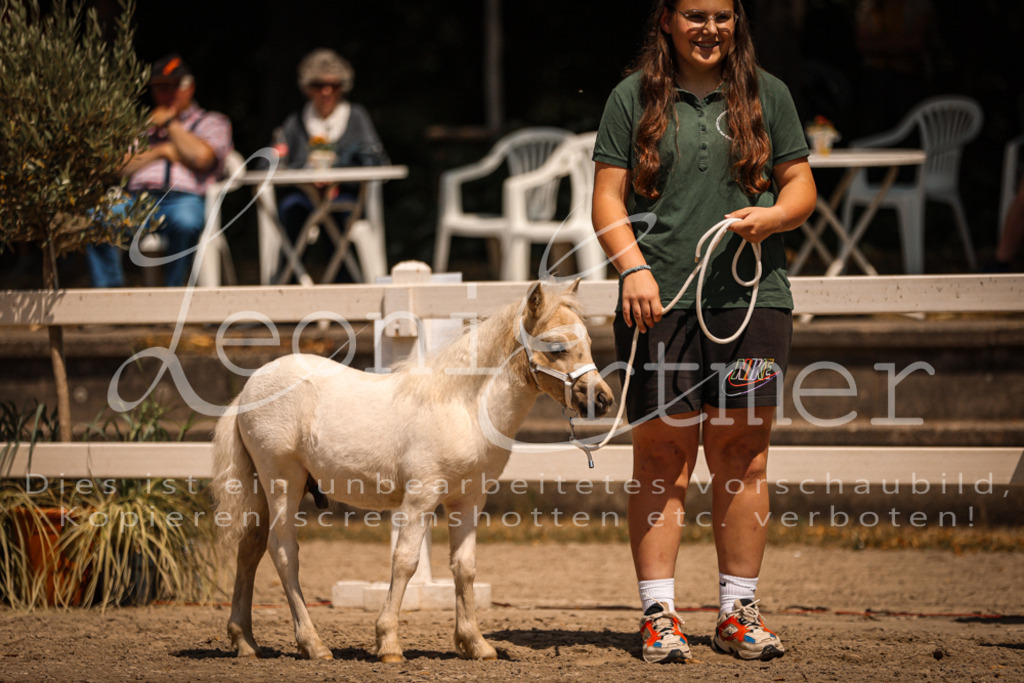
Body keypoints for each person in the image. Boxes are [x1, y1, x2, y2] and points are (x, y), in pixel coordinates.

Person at [592, 0, 816, 664]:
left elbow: (800, 185)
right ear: (666, 19)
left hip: (752, 299)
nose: (709, 29)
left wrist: (773, 218)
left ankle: (737, 612)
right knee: (661, 458)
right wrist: (632, 268)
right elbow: (606, 199)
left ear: (736, 21)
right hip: (656, 302)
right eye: (695, 15)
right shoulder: (631, 98)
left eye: (722, 15)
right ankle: (659, 614)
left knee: (743, 455)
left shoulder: (768, 94)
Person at [86, 54, 233, 287]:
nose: (166, 94)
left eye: (172, 87)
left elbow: (202, 158)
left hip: (185, 199)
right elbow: (118, 166)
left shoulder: (212, 122)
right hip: (137, 201)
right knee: (97, 218)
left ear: (189, 88)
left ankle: (174, 294)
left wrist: (170, 125)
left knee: (186, 222)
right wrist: (162, 151)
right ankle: (109, 293)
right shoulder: (142, 126)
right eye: (160, 88)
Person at [271, 48, 388, 282]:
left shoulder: (356, 117)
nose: (326, 91)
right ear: (307, 88)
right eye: (318, 85)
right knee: (291, 213)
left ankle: (346, 287)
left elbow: (376, 161)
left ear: (342, 87)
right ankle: (288, 284)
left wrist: (341, 170)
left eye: (333, 85)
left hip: (345, 194)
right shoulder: (295, 122)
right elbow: (274, 161)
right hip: (303, 194)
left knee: (341, 219)